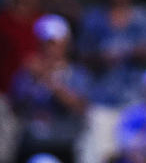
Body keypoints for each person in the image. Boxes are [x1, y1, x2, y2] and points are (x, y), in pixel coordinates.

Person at [9, 16, 88, 163]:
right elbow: (15, 107)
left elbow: (78, 106)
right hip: (31, 144)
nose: (50, 48)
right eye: (46, 43)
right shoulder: (27, 74)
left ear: (66, 44)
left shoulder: (76, 73)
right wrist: (31, 81)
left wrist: (48, 79)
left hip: (63, 145)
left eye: (55, 43)